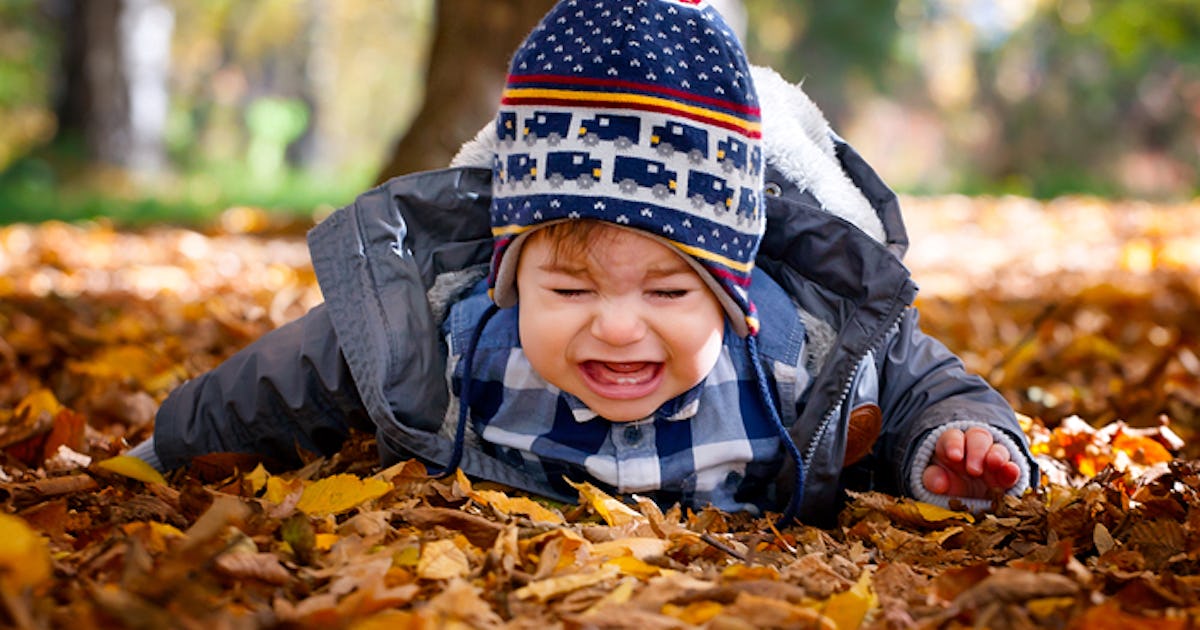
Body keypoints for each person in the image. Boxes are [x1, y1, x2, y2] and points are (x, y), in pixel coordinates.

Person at [128, 0, 1035, 525]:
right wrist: (164, 449)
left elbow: (924, 383)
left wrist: (952, 446)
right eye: (566, 288)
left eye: (670, 290)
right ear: (508, 275)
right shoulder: (446, 340)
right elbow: (289, 378)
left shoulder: (807, 357)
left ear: (735, 296)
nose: (616, 322)